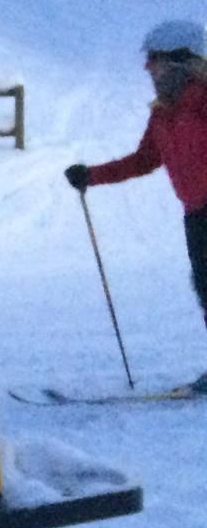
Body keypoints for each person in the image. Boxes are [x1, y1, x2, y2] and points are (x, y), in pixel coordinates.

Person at [66, 20, 207, 382]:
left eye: (154, 61)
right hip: (195, 212)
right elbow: (145, 159)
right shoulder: (163, 111)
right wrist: (92, 175)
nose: (148, 69)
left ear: (181, 61)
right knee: (205, 287)